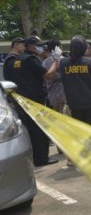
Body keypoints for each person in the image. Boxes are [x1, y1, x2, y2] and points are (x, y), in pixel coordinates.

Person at [4, 36, 59, 167]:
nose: (40, 48)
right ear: (27, 46)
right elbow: (48, 75)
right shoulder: (30, 59)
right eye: (37, 45)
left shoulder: (14, 61)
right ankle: (41, 159)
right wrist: (56, 60)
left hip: (21, 101)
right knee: (39, 130)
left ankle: (34, 158)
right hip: (34, 101)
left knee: (29, 130)